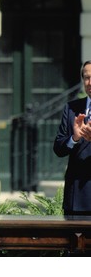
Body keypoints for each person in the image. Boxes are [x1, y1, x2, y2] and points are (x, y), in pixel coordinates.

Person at [53, 60, 91, 215]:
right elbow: (58, 149)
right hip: (76, 198)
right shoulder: (71, 108)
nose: (89, 82)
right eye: (86, 77)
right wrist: (74, 138)